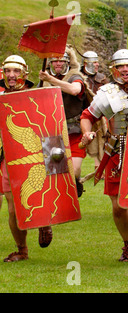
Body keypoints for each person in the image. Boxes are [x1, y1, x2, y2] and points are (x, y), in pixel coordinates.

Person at [80, 49, 128, 262]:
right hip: (117, 149)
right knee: (118, 204)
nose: (125, 70)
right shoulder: (107, 92)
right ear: (114, 69)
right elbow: (87, 116)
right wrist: (87, 132)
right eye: (120, 66)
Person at [0, 55, 53, 262]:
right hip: (7, 156)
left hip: (33, 154)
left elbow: (48, 124)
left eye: (16, 71)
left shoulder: (35, 96)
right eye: (8, 71)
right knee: (12, 208)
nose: (11, 76)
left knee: (33, 195)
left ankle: (43, 221)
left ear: (24, 73)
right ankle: (22, 249)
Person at [39, 44, 89, 197]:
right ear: (50, 63)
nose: (58, 63)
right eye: (55, 60)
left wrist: (51, 80)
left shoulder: (75, 76)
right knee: (53, 173)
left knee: (74, 170)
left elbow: (74, 90)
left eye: (62, 60)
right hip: (51, 132)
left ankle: (75, 182)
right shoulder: (43, 79)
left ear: (68, 62)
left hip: (74, 132)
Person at [80, 51, 109, 177]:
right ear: (86, 63)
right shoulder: (78, 77)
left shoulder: (101, 78)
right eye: (94, 62)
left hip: (99, 113)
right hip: (83, 114)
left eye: (97, 62)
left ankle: (100, 168)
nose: (96, 65)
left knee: (101, 141)